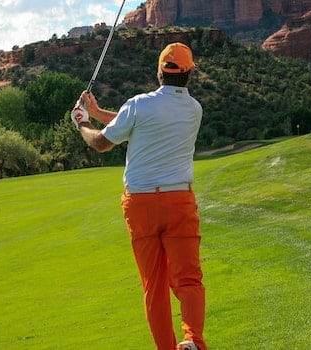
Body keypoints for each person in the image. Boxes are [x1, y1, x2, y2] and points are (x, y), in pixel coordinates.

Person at [70, 42, 207, 350]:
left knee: (154, 286)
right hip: (179, 202)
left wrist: (83, 122)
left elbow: (104, 143)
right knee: (188, 279)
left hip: (141, 205)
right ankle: (194, 341)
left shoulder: (138, 105)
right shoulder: (193, 108)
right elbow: (141, 121)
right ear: (188, 75)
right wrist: (96, 111)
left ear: (159, 72)